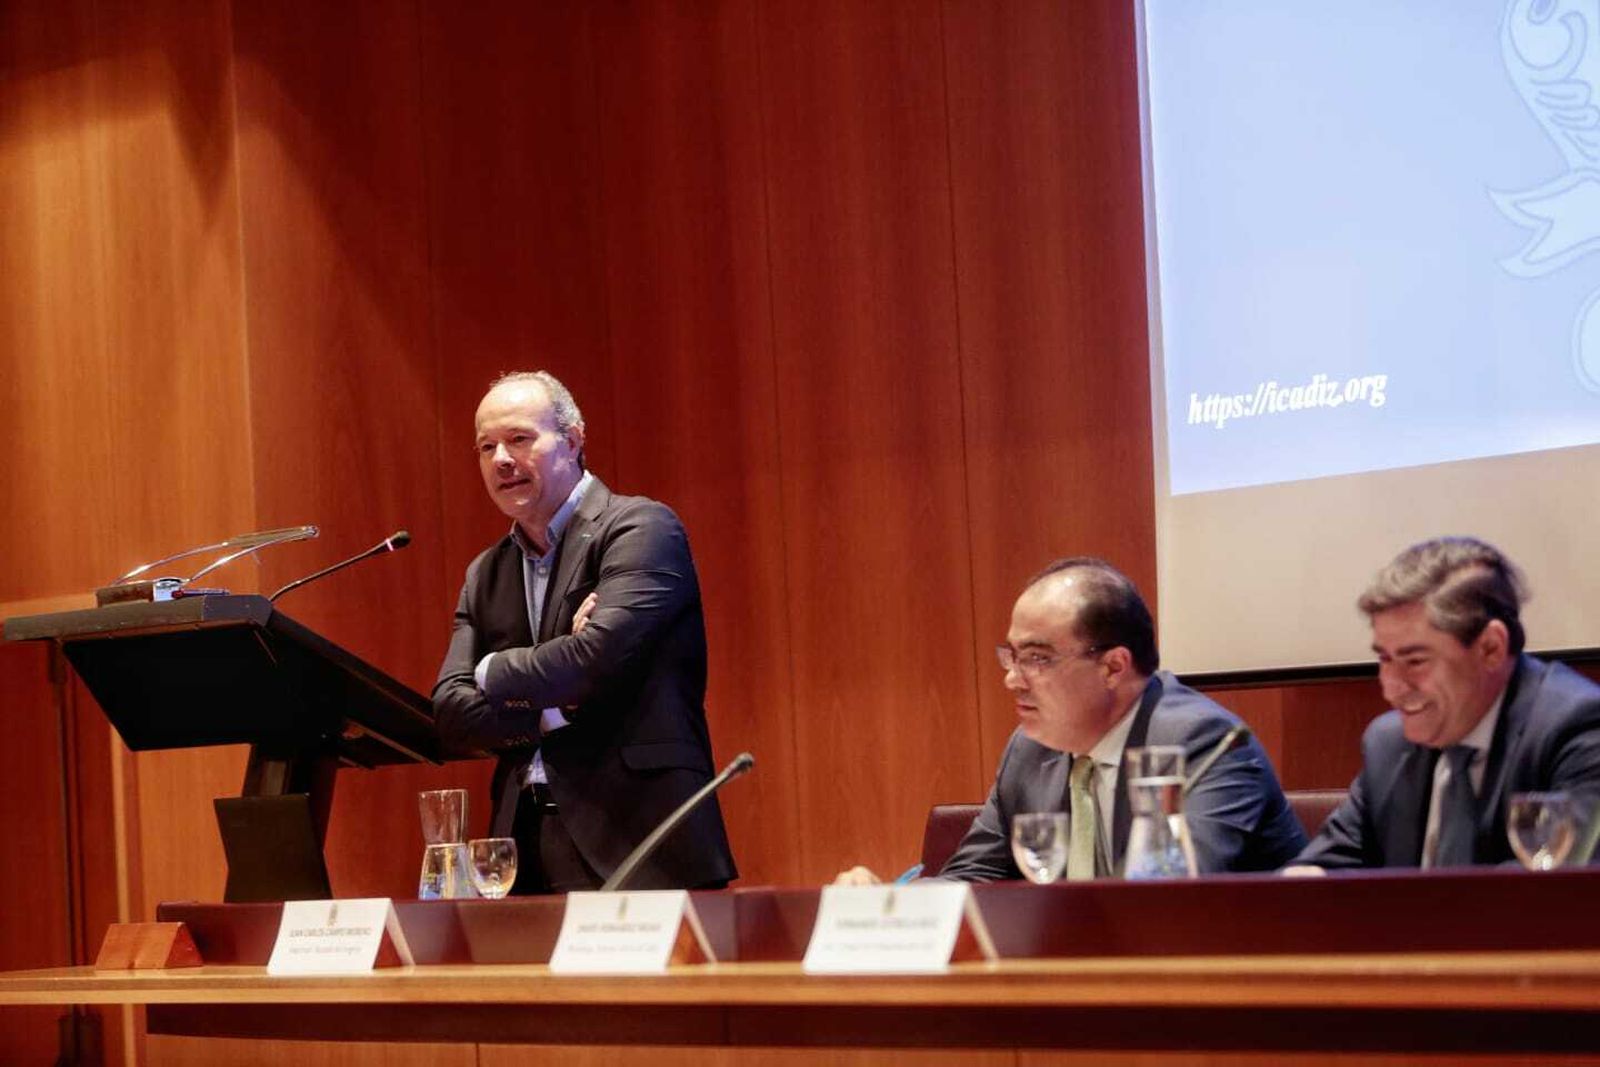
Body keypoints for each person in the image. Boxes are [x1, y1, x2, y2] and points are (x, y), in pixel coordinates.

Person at [432, 370, 736, 892]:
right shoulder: (485, 572)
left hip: (639, 836)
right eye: (486, 446)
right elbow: (450, 711)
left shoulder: (641, 529)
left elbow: (594, 659)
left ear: (572, 441)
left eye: (519, 439)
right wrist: (554, 705)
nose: (501, 459)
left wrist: (494, 670)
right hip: (519, 845)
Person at [837, 558, 1305, 884]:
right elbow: (973, 878)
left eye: (1037, 658)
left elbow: (1171, 899)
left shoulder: (1202, 743)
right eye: (1012, 656)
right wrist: (888, 907)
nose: (1012, 680)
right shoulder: (1031, 749)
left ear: (1113, 667)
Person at [1290, 537, 1600, 871]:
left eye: (1415, 661)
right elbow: (1324, 869)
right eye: (1385, 659)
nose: (1391, 688)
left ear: (1491, 648)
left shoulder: (1579, 727)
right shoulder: (1389, 744)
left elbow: (1561, 887)